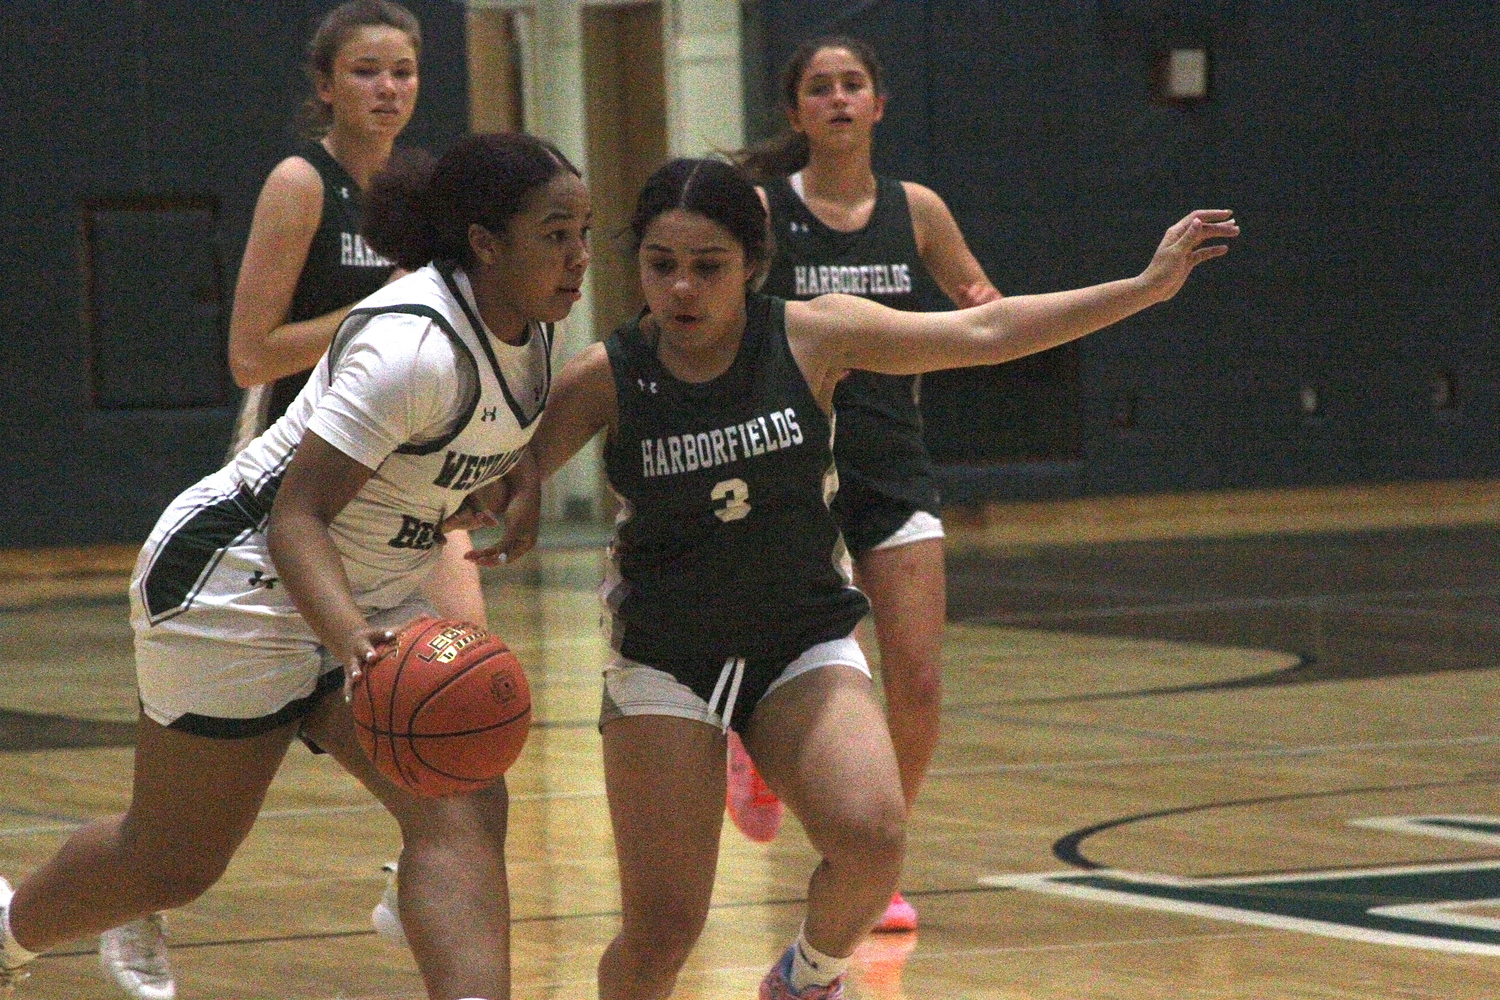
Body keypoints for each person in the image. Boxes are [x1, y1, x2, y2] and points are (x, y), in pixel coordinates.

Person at [502, 156, 1235, 999]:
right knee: (664, 930)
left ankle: (809, 978)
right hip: (667, 660)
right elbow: (500, 475)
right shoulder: (608, 374)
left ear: (752, 264)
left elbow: (984, 333)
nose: (681, 289)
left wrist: (1144, 287)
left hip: (799, 641)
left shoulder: (813, 334)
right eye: (661, 265)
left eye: (708, 266)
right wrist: (505, 500)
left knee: (874, 837)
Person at [0, 131, 591, 1000]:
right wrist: (358, 645)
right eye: (555, 233)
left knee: (463, 798)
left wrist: (519, 471)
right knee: (170, 864)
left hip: (363, 582)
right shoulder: (412, 348)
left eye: (584, 230)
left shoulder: (531, 326)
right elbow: (296, 518)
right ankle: (7, 935)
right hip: (233, 580)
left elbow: (469, 438)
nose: (578, 255)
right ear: (485, 242)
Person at [730, 35, 1002, 933]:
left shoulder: (915, 208)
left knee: (917, 682)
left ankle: (874, 858)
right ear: (796, 111)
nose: (838, 99)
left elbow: (977, 299)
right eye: (820, 87)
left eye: (853, 85)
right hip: (790, 471)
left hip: (893, 463)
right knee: (796, 661)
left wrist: (982, 312)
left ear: (879, 104)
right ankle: (751, 751)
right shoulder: (766, 214)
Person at [227, 0, 489, 629]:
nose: (389, 88)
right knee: (318, 676)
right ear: (326, 85)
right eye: (366, 71)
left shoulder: (426, 190)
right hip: (305, 452)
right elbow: (250, 356)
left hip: (407, 454)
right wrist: (376, 309)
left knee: (467, 648)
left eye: (404, 72)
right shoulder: (301, 181)